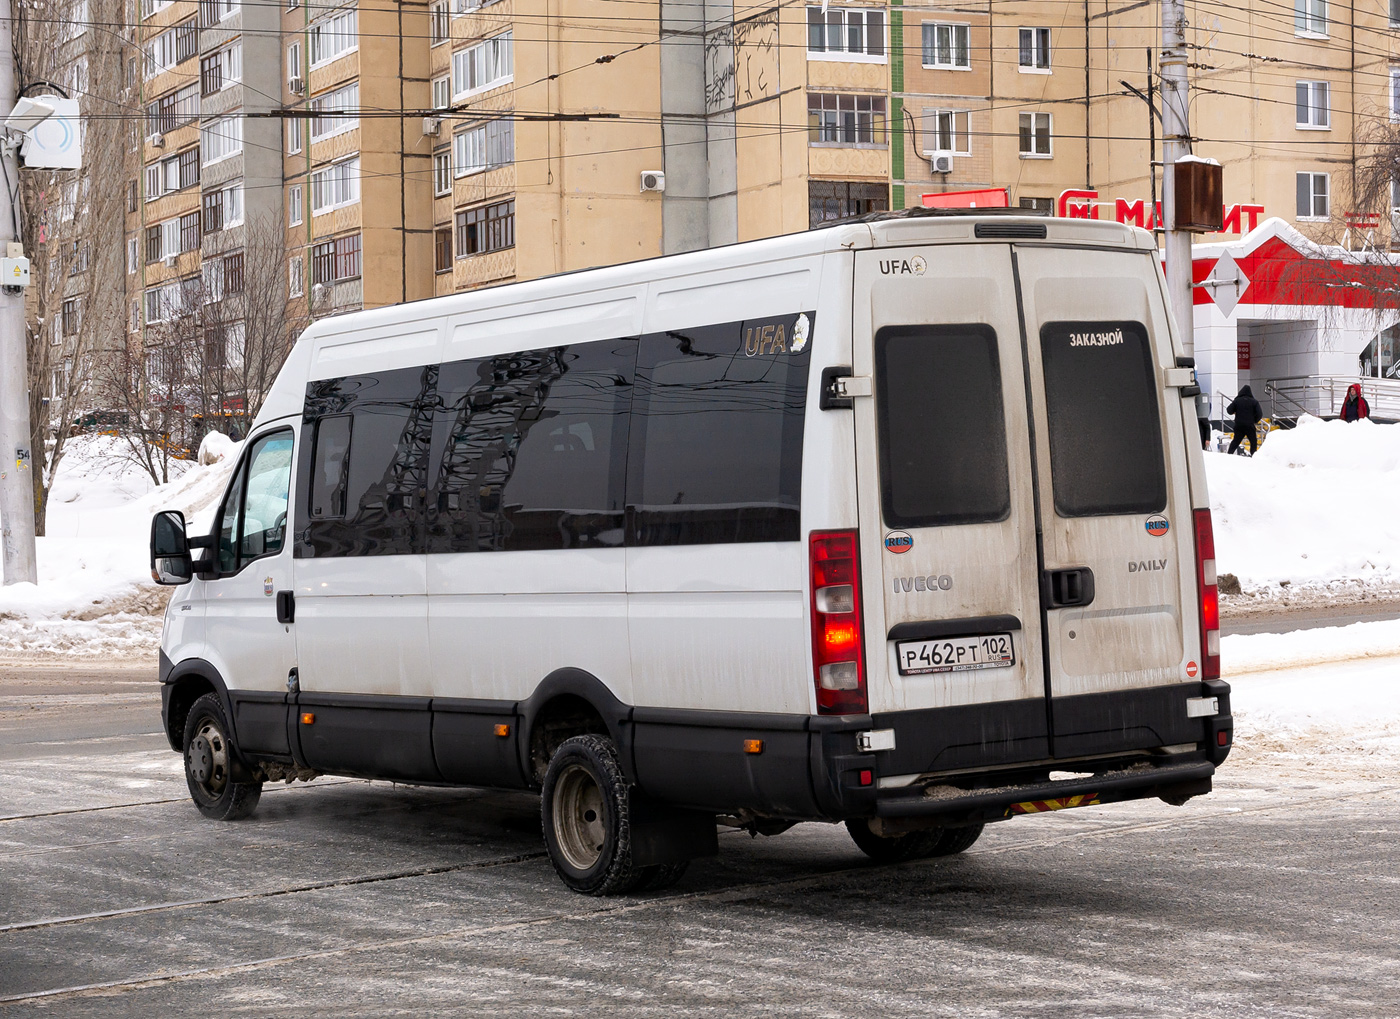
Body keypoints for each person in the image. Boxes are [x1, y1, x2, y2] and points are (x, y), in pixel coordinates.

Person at [1226, 384, 1263, 455]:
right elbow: (1259, 414)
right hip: (1250, 425)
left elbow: (1229, 410)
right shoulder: (1254, 402)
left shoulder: (1237, 401)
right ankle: (1253, 455)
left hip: (1239, 425)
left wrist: (1235, 411)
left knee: (1236, 441)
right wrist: (1254, 420)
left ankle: (1229, 454)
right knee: (1253, 441)